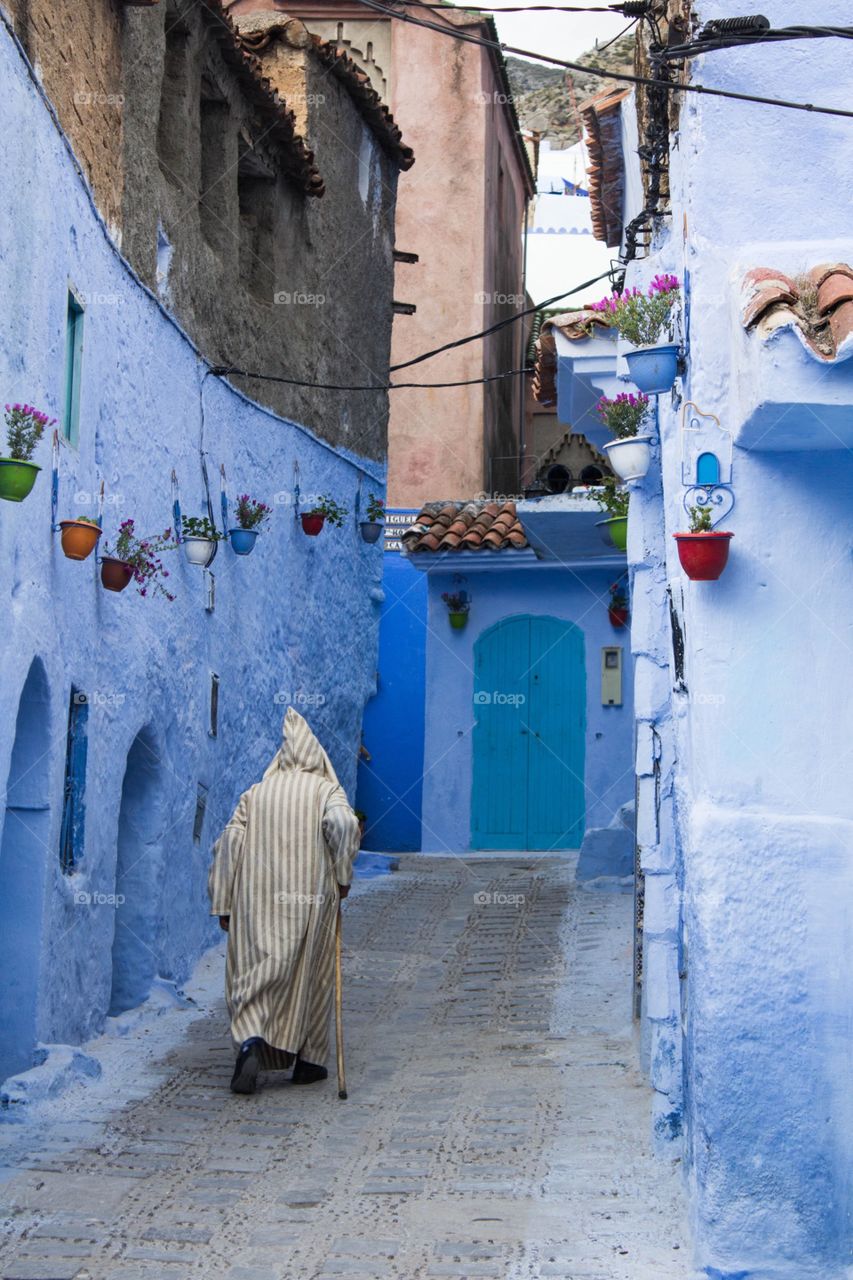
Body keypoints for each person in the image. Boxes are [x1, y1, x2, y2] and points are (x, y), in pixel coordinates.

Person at [208, 707, 360, 1095]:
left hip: (254, 897)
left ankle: (250, 1040)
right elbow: (343, 824)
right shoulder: (326, 790)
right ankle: (309, 1061)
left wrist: (224, 902)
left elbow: (230, 843)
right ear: (316, 756)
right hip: (310, 897)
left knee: (255, 966)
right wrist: (342, 876)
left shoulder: (255, 794)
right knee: (314, 971)